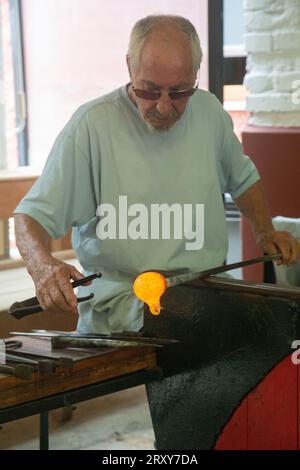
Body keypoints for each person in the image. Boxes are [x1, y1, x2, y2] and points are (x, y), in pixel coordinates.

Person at [14, 15, 300, 334]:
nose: (164, 107)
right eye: (150, 91)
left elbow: (244, 179)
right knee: (184, 318)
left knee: (278, 323)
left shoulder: (209, 113)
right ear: (129, 67)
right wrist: (43, 268)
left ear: (195, 75)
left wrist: (265, 231)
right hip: (123, 307)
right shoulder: (91, 127)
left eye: (179, 92)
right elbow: (30, 217)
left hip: (208, 292)